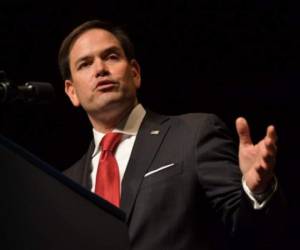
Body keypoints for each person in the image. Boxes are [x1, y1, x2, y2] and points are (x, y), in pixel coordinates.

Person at [58, 20, 285, 250]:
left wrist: (257, 191)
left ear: (135, 73)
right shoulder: (65, 184)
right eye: (85, 64)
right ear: (72, 91)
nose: (100, 69)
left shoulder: (193, 134)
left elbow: (249, 230)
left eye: (111, 56)